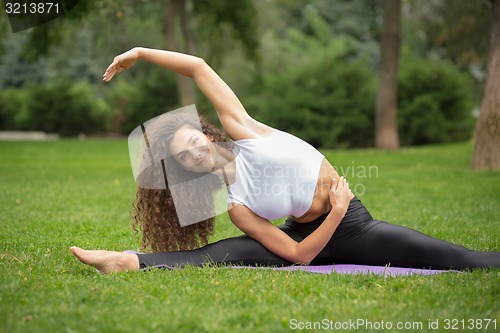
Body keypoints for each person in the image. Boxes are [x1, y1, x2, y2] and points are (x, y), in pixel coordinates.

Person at [70, 47, 500, 274]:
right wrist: (333, 212)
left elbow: (199, 67)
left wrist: (142, 53)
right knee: (230, 250)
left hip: (355, 229)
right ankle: (128, 260)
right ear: (188, 168)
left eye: (193, 141)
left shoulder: (245, 129)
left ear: (205, 132)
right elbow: (298, 256)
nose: (196, 152)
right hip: (320, 228)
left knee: (457, 259)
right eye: (185, 157)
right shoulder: (237, 206)